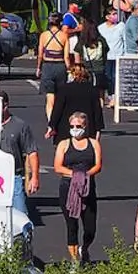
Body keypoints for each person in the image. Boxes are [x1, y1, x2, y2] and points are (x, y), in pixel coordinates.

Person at [54, 112, 102, 264]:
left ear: (85, 126)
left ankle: (85, 247)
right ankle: (74, 260)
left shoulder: (93, 144)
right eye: (72, 126)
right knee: (71, 224)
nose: (75, 129)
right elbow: (58, 167)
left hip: (87, 188)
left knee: (90, 227)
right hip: (68, 188)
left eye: (78, 126)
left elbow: (98, 165)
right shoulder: (64, 144)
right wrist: (75, 175)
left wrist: (85, 175)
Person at [0, 90, 39, 218]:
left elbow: (32, 151)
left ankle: (22, 237)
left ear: (6, 106)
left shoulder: (20, 126)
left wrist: (34, 177)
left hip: (13, 177)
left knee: (20, 214)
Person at [47, 64, 104, 144]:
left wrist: (52, 126)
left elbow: (57, 110)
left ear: (72, 74)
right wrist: (98, 129)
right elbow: (97, 111)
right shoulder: (93, 90)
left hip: (65, 130)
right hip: (87, 129)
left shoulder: (64, 89)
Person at [36, 13, 71, 120]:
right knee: (60, 95)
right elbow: (66, 57)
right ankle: (59, 118)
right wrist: (69, 69)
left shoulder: (44, 35)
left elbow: (40, 54)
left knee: (50, 95)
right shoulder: (64, 36)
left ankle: (51, 120)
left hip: (47, 66)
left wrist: (38, 68)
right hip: (60, 66)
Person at [76, 18, 109, 102]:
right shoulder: (101, 40)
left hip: (87, 71)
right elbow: (106, 52)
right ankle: (100, 111)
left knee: (86, 95)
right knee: (100, 95)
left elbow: (77, 56)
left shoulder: (82, 41)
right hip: (100, 70)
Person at [98, 7, 125, 108]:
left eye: (116, 14)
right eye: (113, 14)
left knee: (115, 77)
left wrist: (125, 54)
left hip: (118, 55)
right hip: (107, 56)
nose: (115, 16)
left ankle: (115, 97)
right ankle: (110, 96)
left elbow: (124, 40)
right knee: (108, 77)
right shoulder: (101, 28)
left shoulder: (121, 26)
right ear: (107, 17)